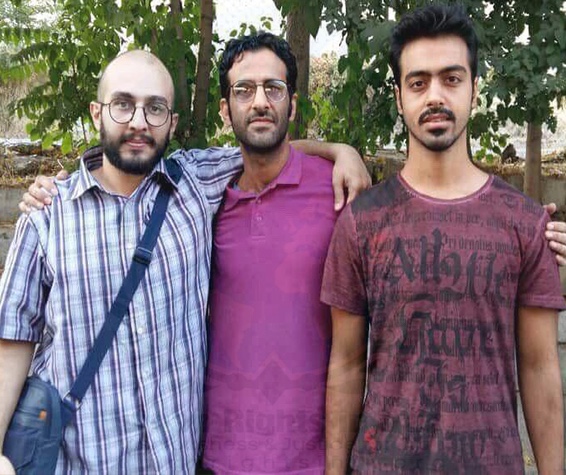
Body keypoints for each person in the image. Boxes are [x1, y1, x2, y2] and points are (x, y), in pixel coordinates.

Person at [0, 50, 369, 475]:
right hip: (81, 462)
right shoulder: (47, 215)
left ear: (172, 123)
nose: (139, 122)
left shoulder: (194, 184)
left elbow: (266, 141)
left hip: (174, 462)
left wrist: (341, 150)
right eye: (123, 104)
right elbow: (12, 340)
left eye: (155, 108)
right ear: (97, 112)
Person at [322, 4, 565, 474]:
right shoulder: (360, 223)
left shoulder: (525, 222)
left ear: (475, 88)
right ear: (399, 97)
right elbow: (346, 366)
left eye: (451, 79)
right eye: (418, 83)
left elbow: (540, 367)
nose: (435, 95)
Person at [199, 32, 336, 474]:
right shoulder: (202, 200)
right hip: (219, 457)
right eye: (244, 90)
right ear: (225, 110)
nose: (260, 102)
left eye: (273, 89)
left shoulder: (336, 190)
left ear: (292, 105)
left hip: (312, 459)